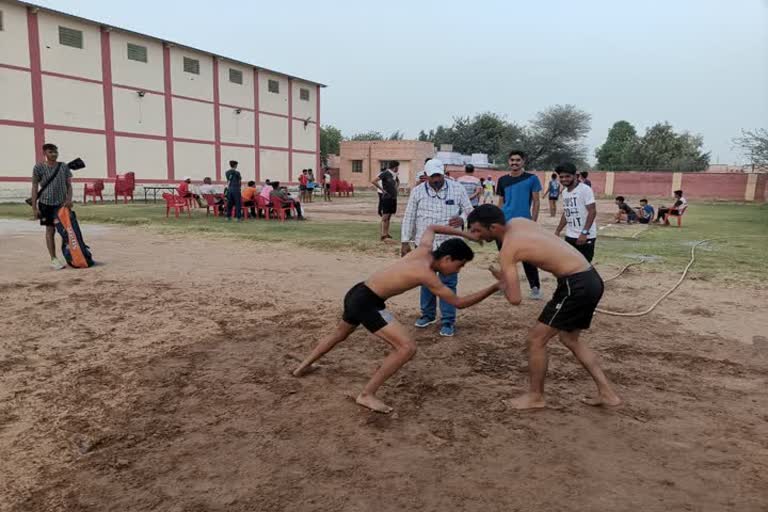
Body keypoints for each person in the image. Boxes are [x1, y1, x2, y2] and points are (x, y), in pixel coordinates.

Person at [292, 224, 500, 413]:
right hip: (367, 302)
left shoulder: (424, 250)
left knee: (340, 334)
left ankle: (302, 367)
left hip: (357, 291)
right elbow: (458, 303)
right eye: (459, 265)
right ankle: (366, 395)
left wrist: (466, 235)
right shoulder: (426, 274)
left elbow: (431, 228)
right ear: (447, 259)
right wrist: (494, 287)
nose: (458, 270)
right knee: (406, 347)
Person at [467, 204, 622, 410]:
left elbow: (515, 299)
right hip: (589, 278)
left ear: (494, 228)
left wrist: (501, 282)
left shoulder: (509, 248)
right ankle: (608, 394)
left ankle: (536, 397)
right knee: (570, 339)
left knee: (536, 339)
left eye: (477, 230)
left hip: (575, 285)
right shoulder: (518, 222)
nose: (475, 236)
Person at [401, 159, 473, 337]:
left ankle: (448, 321)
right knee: (426, 280)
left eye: (438, 176)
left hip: (450, 245)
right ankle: (428, 315)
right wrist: (405, 241)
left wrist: (462, 218)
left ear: (444, 173)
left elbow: (470, 209)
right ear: (426, 175)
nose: (435, 180)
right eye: (432, 177)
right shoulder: (417, 192)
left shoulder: (457, 188)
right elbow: (409, 216)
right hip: (425, 244)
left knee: (448, 283)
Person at [496, 150, 543, 300]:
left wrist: (533, 223)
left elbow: (536, 202)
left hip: (524, 224)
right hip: (504, 224)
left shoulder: (532, 179)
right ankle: (505, 285)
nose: (514, 163)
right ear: (508, 162)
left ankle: (535, 288)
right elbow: (501, 202)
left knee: (527, 257)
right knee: (505, 256)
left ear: (523, 161)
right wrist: (497, 220)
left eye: (517, 160)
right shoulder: (502, 180)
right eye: (512, 160)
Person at [31, 143, 73, 270]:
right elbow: (34, 187)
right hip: (45, 204)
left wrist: (69, 199)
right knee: (50, 231)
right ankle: (54, 259)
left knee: (67, 231)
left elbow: (69, 185)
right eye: (51, 152)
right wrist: (34, 207)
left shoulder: (64, 167)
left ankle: (70, 256)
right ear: (45, 153)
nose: (54, 154)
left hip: (61, 205)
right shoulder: (38, 167)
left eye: (56, 152)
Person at [554, 162, 597, 262]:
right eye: (561, 177)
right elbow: (566, 213)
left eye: (567, 176)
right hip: (570, 235)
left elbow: (592, 212)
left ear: (575, 176)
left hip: (585, 236)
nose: (564, 179)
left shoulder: (585, 189)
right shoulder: (564, 192)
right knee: (568, 264)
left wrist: (584, 233)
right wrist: (557, 231)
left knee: (584, 266)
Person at [372, 161, 400, 241]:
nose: (398, 169)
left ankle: (386, 233)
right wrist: (382, 190)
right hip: (387, 198)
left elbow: (397, 182)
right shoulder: (385, 173)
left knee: (389, 217)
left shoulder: (394, 175)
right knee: (385, 217)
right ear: (395, 167)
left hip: (393, 198)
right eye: (398, 167)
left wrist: (396, 189)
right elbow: (374, 181)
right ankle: (382, 235)